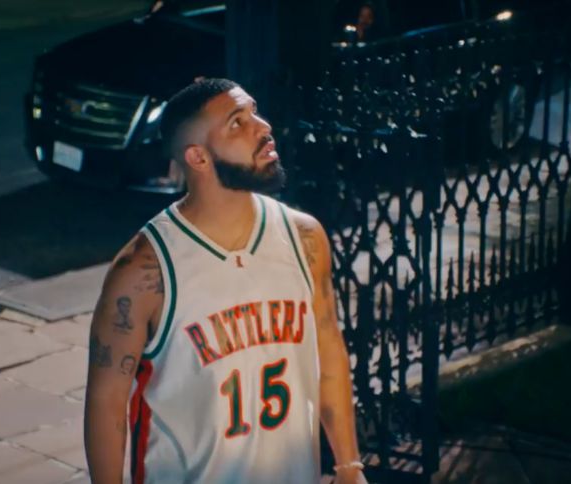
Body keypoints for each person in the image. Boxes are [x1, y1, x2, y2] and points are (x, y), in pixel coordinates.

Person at [84, 78, 367, 484]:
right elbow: (106, 402)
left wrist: (349, 467)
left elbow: (329, 352)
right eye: (237, 123)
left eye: (254, 111)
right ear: (197, 157)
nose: (262, 126)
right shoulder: (143, 271)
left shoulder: (304, 237)